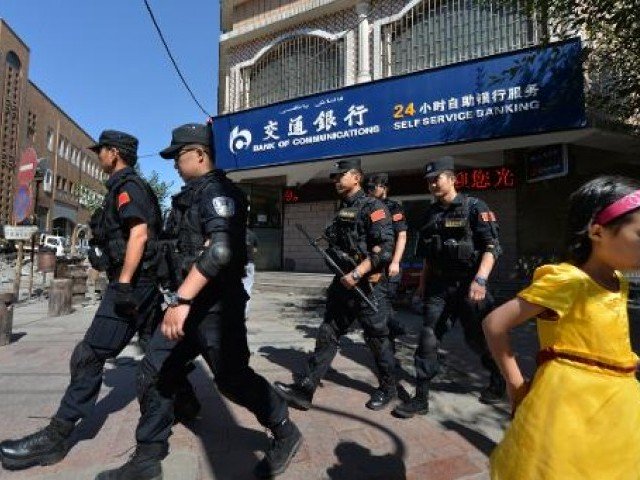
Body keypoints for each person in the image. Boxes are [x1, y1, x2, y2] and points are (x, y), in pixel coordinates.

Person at [95, 123, 302, 480]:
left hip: (216, 307)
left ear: (199, 154)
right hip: (186, 305)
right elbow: (179, 249)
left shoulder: (219, 192)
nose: (174, 163)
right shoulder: (188, 195)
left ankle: (284, 429)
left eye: (178, 155)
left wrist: (181, 300)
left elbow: (219, 251)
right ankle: (147, 459)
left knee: (232, 380)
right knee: (154, 372)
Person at [0, 130, 185, 470]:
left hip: (132, 285)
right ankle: (185, 406)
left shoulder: (128, 187)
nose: (99, 156)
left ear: (114, 153)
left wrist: (124, 283)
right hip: (140, 283)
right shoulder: (122, 187)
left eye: (101, 151)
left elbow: (139, 234)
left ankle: (56, 437)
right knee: (154, 358)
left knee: (90, 355)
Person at [485, 176, 640, 479]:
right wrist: (515, 384)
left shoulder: (617, 279)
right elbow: (495, 324)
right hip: (570, 403)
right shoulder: (567, 281)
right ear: (598, 231)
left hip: (617, 400)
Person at [273, 158, 399, 411]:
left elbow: (385, 250)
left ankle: (389, 388)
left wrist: (357, 273)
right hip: (343, 283)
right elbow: (333, 238)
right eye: (334, 177)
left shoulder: (374, 207)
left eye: (341, 176)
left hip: (368, 287)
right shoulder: (344, 209)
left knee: (377, 339)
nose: (336, 181)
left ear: (356, 177)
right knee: (327, 333)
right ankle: (306, 388)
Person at [393, 156, 504, 419]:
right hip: (439, 287)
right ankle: (420, 398)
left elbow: (492, 247)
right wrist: (421, 285)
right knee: (428, 337)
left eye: (437, 179)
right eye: (429, 181)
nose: (432, 184)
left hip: (470, 287)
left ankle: (498, 378)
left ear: (452, 179)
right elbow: (429, 256)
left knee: (477, 339)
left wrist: (480, 280)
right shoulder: (430, 214)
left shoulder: (475, 207)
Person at [366, 173, 410, 398]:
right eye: (370, 186)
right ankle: (390, 333)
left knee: (383, 307)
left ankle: (389, 345)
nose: (372, 189)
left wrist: (395, 262)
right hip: (371, 266)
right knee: (380, 310)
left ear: (385, 187)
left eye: (376, 186)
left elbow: (402, 235)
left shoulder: (394, 207)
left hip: (389, 267)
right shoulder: (367, 205)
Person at [243, 226, 258, 317]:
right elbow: (255, 249)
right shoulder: (252, 234)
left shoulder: (232, 233)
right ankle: (244, 313)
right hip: (249, 263)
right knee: (247, 287)